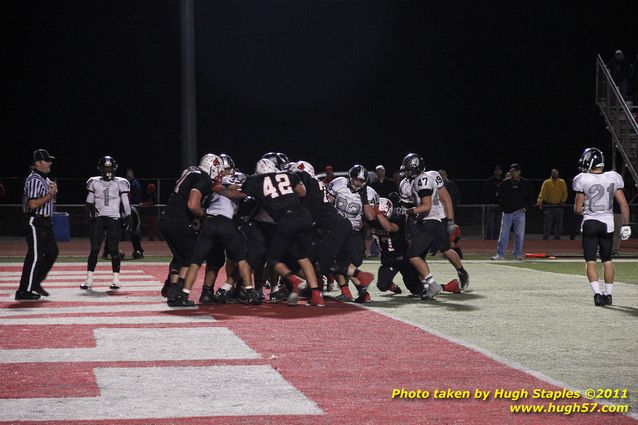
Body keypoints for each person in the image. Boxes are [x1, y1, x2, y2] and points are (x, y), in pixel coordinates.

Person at [573, 148, 631, 306]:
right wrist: (626, 225)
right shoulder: (613, 177)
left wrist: (585, 208)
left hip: (590, 223)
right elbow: (623, 204)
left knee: (591, 260)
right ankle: (609, 294)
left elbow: (578, 209)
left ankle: (597, 294)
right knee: (607, 260)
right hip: (608, 224)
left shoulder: (582, 179)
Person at [81, 156, 131, 290]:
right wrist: (90, 208)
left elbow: (125, 202)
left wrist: (128, 215)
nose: (108, 170)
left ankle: (116, 280)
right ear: (100, 169)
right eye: (105, 168)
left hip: (114, 218)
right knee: (95, 250)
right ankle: (89, 280)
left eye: (110, 167)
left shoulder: (121, 182)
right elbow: (89, 201)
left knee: (114, 250)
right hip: (99, 219)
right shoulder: (94, 182)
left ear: (114, 168)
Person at [16, 149, 59, 300]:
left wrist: (52, 192)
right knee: (34, 255)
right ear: (38, 163)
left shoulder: (45, 180)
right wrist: (50, 195)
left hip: (45, 221)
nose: (50, 163)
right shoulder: (34, 179)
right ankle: (23, 290)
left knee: (52, 252)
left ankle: (33, 282)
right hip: (35, 220)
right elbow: (33, 204)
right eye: (47, 160)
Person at [491, 163, 535, 261]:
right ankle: (500, 254)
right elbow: (499, 197)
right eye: (511, 171)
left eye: (514, 171)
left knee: (519, 234)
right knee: (503, 234)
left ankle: (518, 254)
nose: (512, 173)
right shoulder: (505, 183)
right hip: (507, 212)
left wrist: (526, 207)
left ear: (519, 172)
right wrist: (504, 207)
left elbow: (531, 197)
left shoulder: (525, 183)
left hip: (520, 212)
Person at [535, 168, 568, 240]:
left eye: (556, 173)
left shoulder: (562, 182)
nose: (555, 174)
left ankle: (557, 237)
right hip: (549, 205)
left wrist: (563, 201)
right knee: (548, 223)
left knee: (559, 223)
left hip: (559, 205)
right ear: (551, 174)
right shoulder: (547, 182)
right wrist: (539, 201)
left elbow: (565, 192)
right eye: (553, 173)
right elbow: (542, 193)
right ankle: (546, 237)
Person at [482, 165, 503, 240]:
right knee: (490, 223)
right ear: (494, 172)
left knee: (498, 223)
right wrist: (488, 201)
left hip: (500, 204)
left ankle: (497, 238)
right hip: (491, 204)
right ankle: (489, 238)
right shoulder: (490, 180)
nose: (498, 172)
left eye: (499, 170)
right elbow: (485, 192)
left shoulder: (503, 181)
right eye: (496, 170)